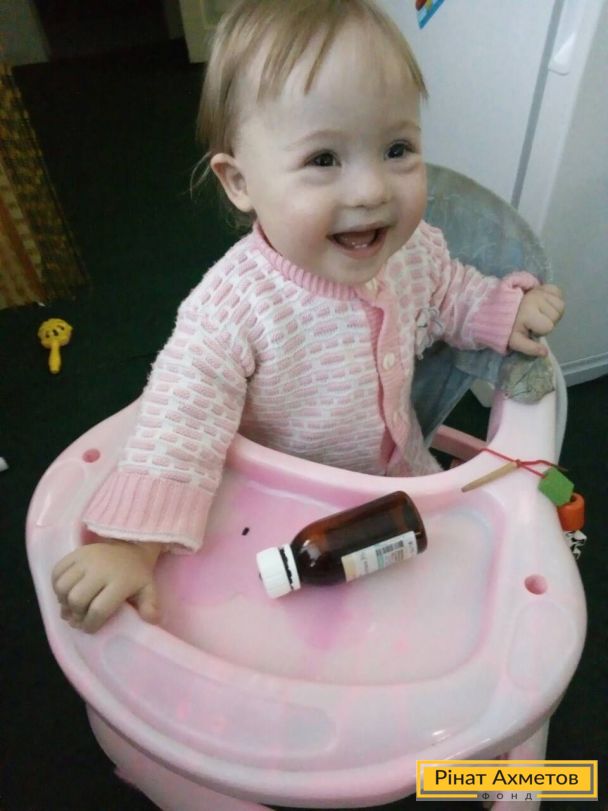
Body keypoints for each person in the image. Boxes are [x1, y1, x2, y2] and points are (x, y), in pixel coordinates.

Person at [52, 0, 564, 633]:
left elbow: (446, 293)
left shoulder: (411, 252)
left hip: (401, 482)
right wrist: (133, 547)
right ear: (240, 182)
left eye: (397, 148)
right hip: (281, 511)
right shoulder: (231, 310)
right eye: (324, 160)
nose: (372, 190)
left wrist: (499, 310)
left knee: (442, 614)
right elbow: (178, 426)